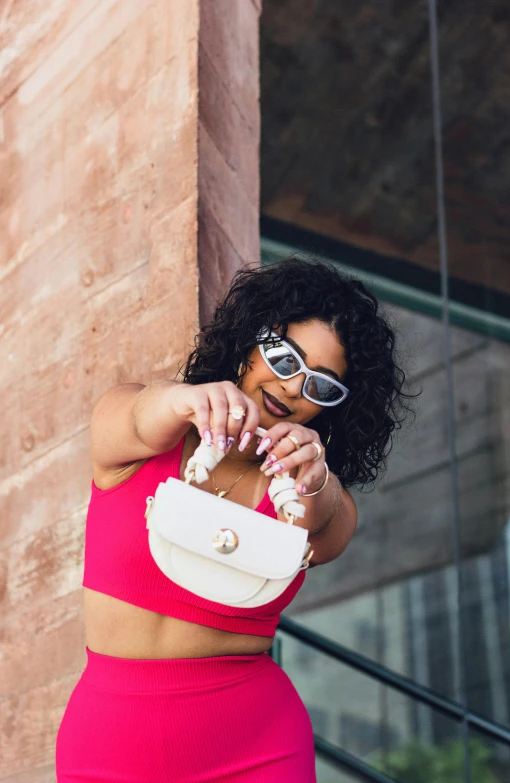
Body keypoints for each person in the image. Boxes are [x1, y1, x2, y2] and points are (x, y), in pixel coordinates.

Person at [55, 258, 412, 782]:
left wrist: (315, 479)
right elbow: (136, 415)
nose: (294, 388)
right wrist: (184, 400)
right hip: (108, 743)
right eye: (285, 358)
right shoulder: (143, 431)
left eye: (321, 385)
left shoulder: (303, 494)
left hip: (255, 747)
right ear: (249, 338)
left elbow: (328, 519)